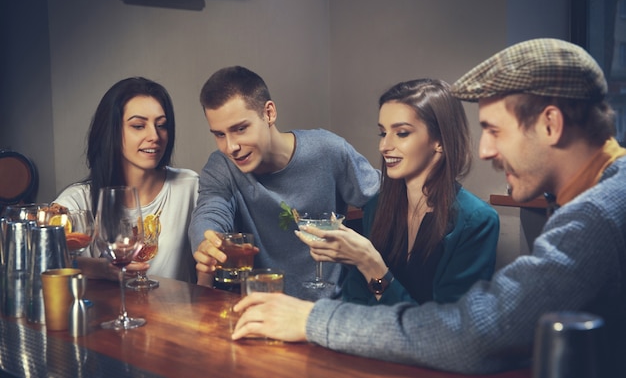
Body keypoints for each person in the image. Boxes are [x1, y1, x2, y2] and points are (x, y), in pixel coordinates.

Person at [231, 39, 626, 375]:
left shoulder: (597, 215)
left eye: (494, 130)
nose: (486, 150)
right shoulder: (598, 197)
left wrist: (311, 319)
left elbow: (473, 335)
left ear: (551, 125)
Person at [295, 78, 499, 306]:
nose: (384, 146)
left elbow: (446, 329)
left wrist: (370, 264)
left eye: (401, 133)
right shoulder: (376, 206)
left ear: (440, 141)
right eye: (383, 133)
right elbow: (356, 303)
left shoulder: (477, 221)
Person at [189, 65, 380, 300]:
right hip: (261, 309)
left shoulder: (328, 150)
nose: (231, 147)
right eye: (219, 134)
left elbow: (385, 197)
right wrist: (206, 244)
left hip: (330, 310)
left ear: (269, 113)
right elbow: (210, 210)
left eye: (240, 129)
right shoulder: (221, 166)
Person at [53, 77, 199, 283]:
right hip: (105, 315)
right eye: (139, 126)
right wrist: (98, 268)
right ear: (111, 131)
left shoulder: (190, 186)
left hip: (175, 314)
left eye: (162, 125)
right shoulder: (78, 201)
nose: (154, 136)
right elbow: (42, 257)